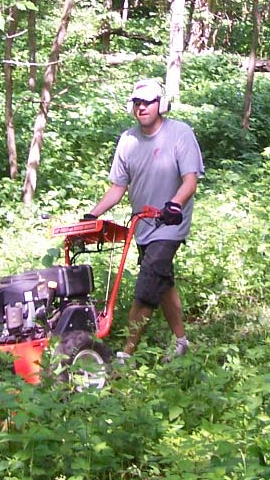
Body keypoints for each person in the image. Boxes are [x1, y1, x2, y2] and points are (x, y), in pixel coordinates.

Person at [84, 78, 204, 361]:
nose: (142, 108)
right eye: (137, 103)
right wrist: (91, 215)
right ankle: (181, 341)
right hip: (144, 225)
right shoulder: (128, 140)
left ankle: (126, 356)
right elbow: (117, 188)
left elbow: (190, 181)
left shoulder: (180, 133)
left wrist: (174, 205)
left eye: (148, 102)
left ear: (161, 105)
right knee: (163, 282)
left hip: (171, 223)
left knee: (148, 284)